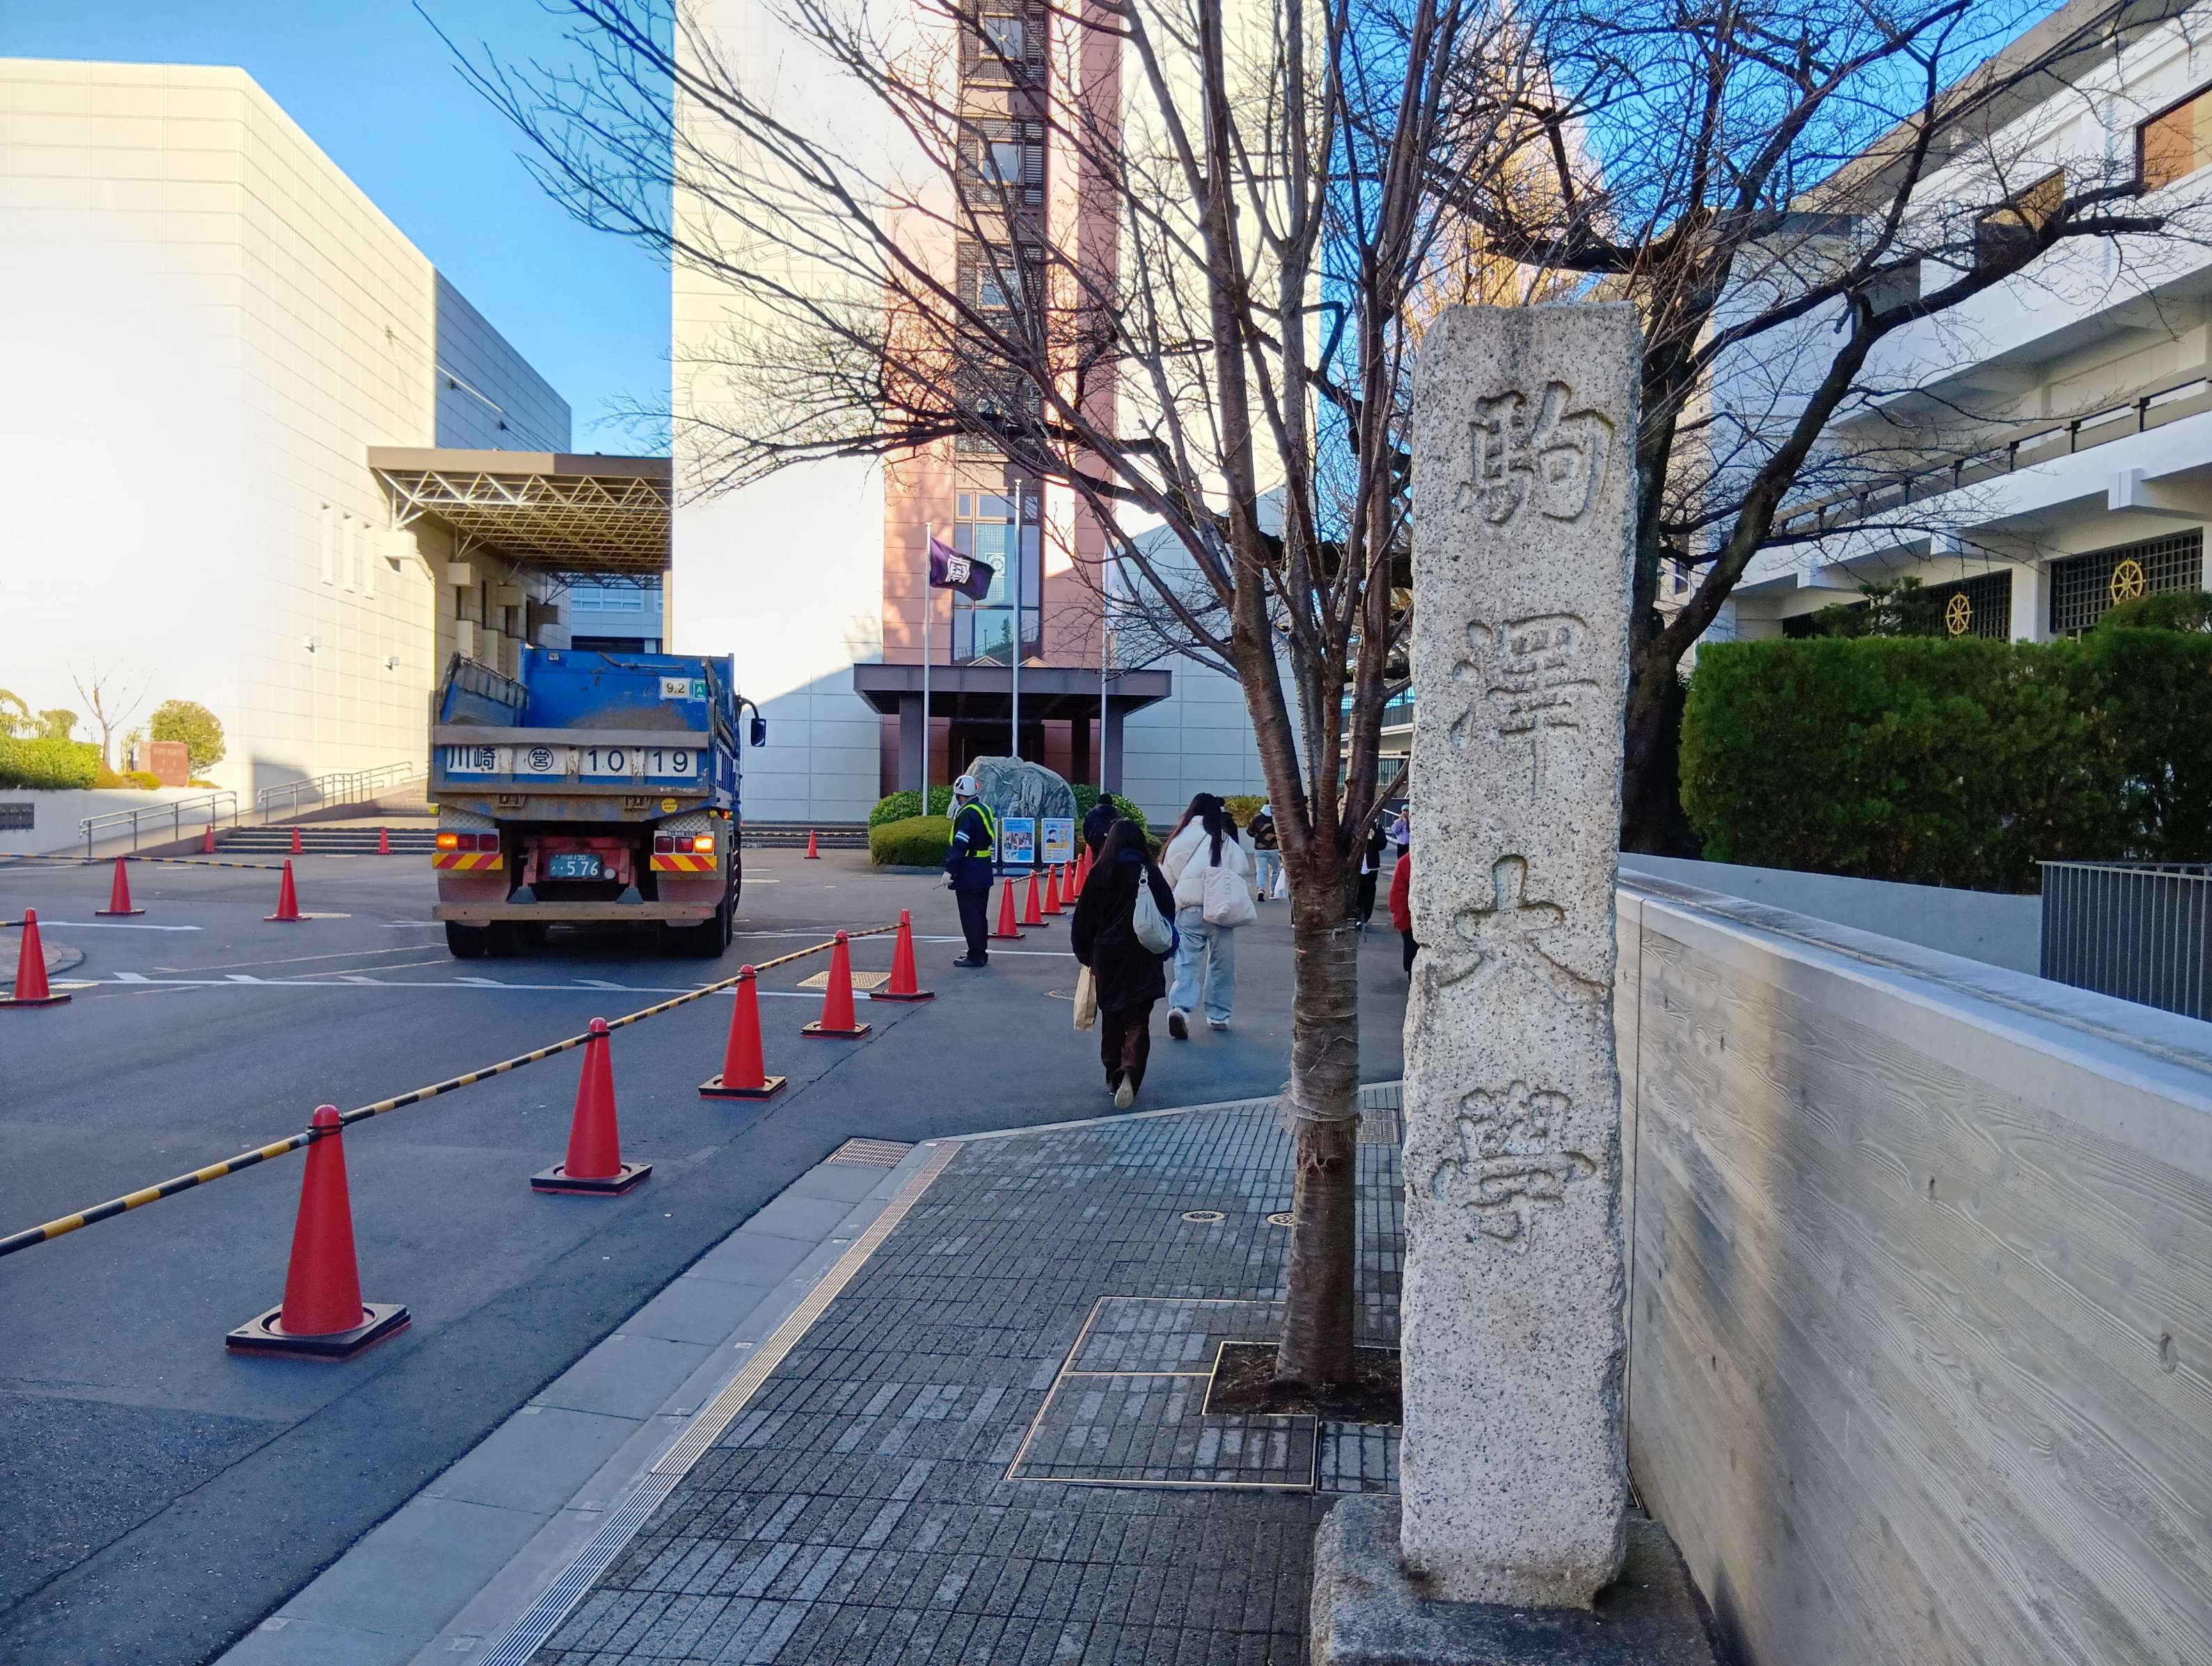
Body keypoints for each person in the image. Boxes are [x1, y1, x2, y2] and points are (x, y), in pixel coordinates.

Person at [1070, 818, 1178, 1108]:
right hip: (1143, 955)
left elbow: (1083, 920)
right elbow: (1168, 912)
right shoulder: (1150, 873)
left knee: (1113, 1019)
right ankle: (1131, 1069)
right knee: (1138, 1020)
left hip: (1108, 957)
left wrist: (1085, 955)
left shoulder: (1099, 873)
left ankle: (1112, 1074)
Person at [1160, 792, 1252, 1037]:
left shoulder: (1179, 839)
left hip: (1188, 909)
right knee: (1222, 964)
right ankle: (1218, 1015)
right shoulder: (1223, 839)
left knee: (1186, 962)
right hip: (1220, 910)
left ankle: (1180, 1009)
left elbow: (1166, 876)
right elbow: (1241, 867)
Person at [942, 774, 997, 968]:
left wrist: (949, 870)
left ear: (960, 795)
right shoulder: (983, 809)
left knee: (970, 916)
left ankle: (975, 956)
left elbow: (961, 843)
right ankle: (980, 953)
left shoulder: (967, 814)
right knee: (979, 915)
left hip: (969, 872)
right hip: (983, 868)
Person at [1354, 813, 1389, 930]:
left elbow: (1382, 845)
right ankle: (1356, 916)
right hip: (1357, 866)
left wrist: (1374, 836)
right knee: (1358, 892)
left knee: (1369, 893)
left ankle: (1365, 917)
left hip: (1371, 866)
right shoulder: (1357, 825)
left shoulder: (1377, 827)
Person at [1389, 832, 1416, 977]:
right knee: (1413, 966)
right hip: (1412, 927)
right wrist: (1404, 926)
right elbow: (1397, 897)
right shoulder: (1406, 862)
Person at [1247, 802, 1281, 902]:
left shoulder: (1256, 818)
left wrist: (1258, 836)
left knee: (1261, 871)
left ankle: (1261, 890)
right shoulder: (1278, 818)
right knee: (1276, 871)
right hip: (1274, 849)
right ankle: (1273, 892)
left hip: (1260, 849)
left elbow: (1249, 831)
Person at [1082, 792, 1118, 858]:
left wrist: (1090, 842)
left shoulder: (1091, 813)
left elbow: (1086, 830)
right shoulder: (1114, 814)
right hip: (1111, 842)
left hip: (1095, 843)